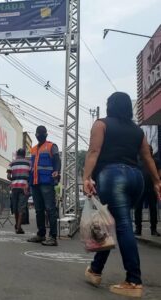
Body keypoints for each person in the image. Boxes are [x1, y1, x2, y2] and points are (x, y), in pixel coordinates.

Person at [83, 92, 161, 298]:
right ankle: (95, 270)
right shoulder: (138, 131)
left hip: (112, 176)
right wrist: (156, 182)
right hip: (137, 179)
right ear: (129, 108)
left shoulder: (101, 124)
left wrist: (86, 177)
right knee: (112, 223)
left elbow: (93, 151)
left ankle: (134, 281)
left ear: (109, 106)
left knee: (121, 224)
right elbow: (147, 157)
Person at [27, 125, 61, 246]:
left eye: (41, 134)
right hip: (35, 182)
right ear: (36, 135)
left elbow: (57, 159)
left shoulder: (51, 146)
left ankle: (53, 237)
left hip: (47, 182)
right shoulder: (33, 149)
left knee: (50, 209)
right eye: (38, 134)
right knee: (39, 210)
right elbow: (32, 166)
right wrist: (28, 182)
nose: (39, 136)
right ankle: (41, 234)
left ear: (45, 135)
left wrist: (57, 171)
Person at [134, 145, 161, 236]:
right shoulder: (137, 161)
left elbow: (159, 172)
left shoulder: (155, 161)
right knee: (138, 209)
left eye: (150, 150)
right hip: (139, 188)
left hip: (152, 188)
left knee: (153, 208)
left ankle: (153, 229)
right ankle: (138, 229)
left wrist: (157, 183)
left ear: (152, 151)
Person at [7, 148, 30, 234]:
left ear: (17, 154)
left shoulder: (12, 163)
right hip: (24, 187)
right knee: (21, 207)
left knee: (16, 207)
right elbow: (31, 175)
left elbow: (8, 176)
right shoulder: (29, 163)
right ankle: (18, 227)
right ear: (24, 154)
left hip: (14, 187)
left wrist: (15, 178)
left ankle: (17, 225)